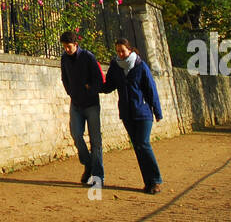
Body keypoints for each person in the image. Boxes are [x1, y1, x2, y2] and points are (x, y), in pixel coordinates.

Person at [101, 37, 164, 194]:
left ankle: (155, 180)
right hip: (127, 114)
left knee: (143, 144)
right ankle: (148, 182)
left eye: (123, 51)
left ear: (129, 50)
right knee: (137, 147)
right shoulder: (115, 67)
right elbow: (109, 86)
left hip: (143, 113)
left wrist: (157, 111)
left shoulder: (140, 66)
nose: (120, 54)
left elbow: (151, 89)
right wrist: (92, 85)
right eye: (118, 51)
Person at [59, 30, 105, 187]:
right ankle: (88, 163)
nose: (66, 49)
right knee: (76, 134)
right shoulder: (64, 58)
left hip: (91, 104)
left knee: (95, 140)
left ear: (76, 45)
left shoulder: (87, 57)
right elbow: (64, 78)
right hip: (76, 103)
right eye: (64, 47)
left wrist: (89, 89)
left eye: (69, 47)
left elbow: (98, 79)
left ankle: (98, 177)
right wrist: (71, 92)